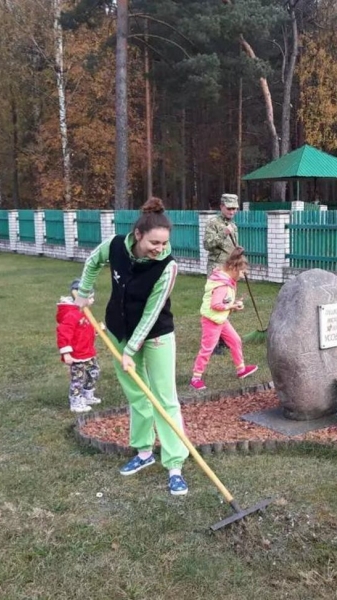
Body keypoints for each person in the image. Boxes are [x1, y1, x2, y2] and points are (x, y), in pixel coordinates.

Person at [73, 197, 190, 496]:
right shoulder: (114, 246)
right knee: (137, 395)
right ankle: (143, 452)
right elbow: (92, 262)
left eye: (164, 243)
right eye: (154, 242)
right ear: (138, 235)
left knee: (165, 398)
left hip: (156, 335)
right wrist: (84, 292)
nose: (159, 249)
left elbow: (152, 313)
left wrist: (131, 349)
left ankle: (174, 465)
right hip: (118, 330)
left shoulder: (167, 266)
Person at [190, 247, 258, 391]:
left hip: (220, 319)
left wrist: (232, 305)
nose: (241, 276)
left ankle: (241, 370)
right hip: (212, 320)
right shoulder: (222, 285)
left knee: (235, 340)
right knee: (207, 349)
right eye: (240, 273)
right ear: (233, 268)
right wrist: (232, 305)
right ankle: (195, 378)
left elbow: (222, 303)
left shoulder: (224, 278)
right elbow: (216, 305)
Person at [56, 280, 101, 413]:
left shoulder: (83, 311)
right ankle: (76, 401)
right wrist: (66, 353)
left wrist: (96, 330)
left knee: (94, 371)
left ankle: (87, 394)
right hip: (77, 355)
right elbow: (63, 334)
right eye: (90, 297)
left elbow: (84, 328)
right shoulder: (71, 314)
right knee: (78, 378)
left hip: (88, 352)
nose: (92, 300)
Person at [204, 193, 240, 355]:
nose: (232, 211)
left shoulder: (233, 225)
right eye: (229, 208)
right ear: (221, 207)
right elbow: (208, 244)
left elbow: (230, 247)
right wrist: (224, 233)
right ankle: (213, 343)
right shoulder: (214, 223)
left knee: (228, 302)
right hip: (217, 269)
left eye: (235, 209)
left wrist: (238, 253)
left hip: (230, 269)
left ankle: (223, 337)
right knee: (216, 304)